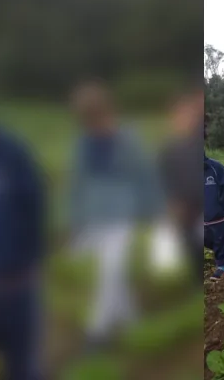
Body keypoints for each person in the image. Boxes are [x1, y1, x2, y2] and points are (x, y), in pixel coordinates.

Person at [67, 79, 160, 352]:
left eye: (97, 115)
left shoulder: (128, 139)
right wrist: (74, 222)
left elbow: (145, 176)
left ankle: (96, 332)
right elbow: (77, 183)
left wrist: (154, 213)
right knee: (110, 270)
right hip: (93, 215)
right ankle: (131, 320)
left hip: (123, 213)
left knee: (110, 269)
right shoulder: (84, 143)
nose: (94, 122)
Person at [0, 114, 45, 380]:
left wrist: (30, 264)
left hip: (13, 289)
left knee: (22, 367)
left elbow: (34, 209)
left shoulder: (9, 153)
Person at [159, 82, 204, 285]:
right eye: (179, 116)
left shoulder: (197, 147)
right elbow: (163, 181)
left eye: (188, 116)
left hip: (199, 210)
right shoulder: (169, 150)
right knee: (188, 253)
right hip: (182, 212)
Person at [204, 153, 224, 282]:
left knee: (221, 240)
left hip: (218, 215)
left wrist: (220, 205)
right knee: (206, 239)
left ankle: (222, 265)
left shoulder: (215, 168)